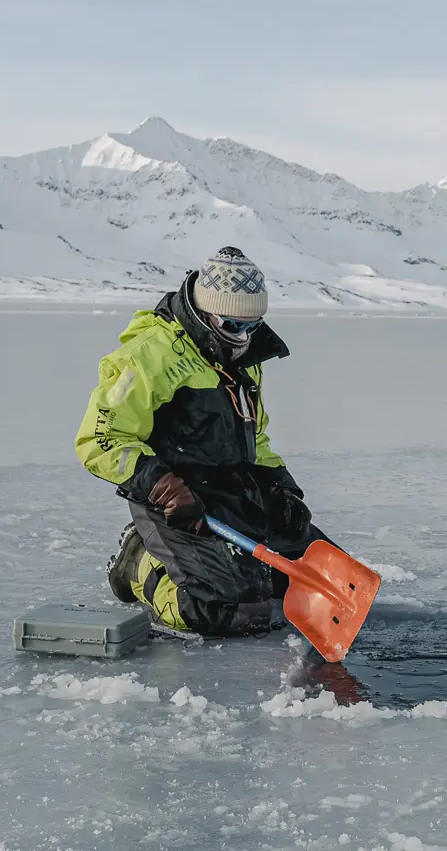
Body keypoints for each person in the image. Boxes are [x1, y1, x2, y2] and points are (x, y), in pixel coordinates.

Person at [75, 246, 330, 636]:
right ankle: (140, 563)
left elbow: (254, 434)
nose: (244, 337)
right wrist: (166, 488)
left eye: (253, 325)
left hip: (233, 490)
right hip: (178, 502)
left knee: (319, 579)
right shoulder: (148, 357)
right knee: (222, 611)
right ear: (206, 313)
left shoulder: (240, 355)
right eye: (232, 325)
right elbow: (101, 439)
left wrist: (280, 488)